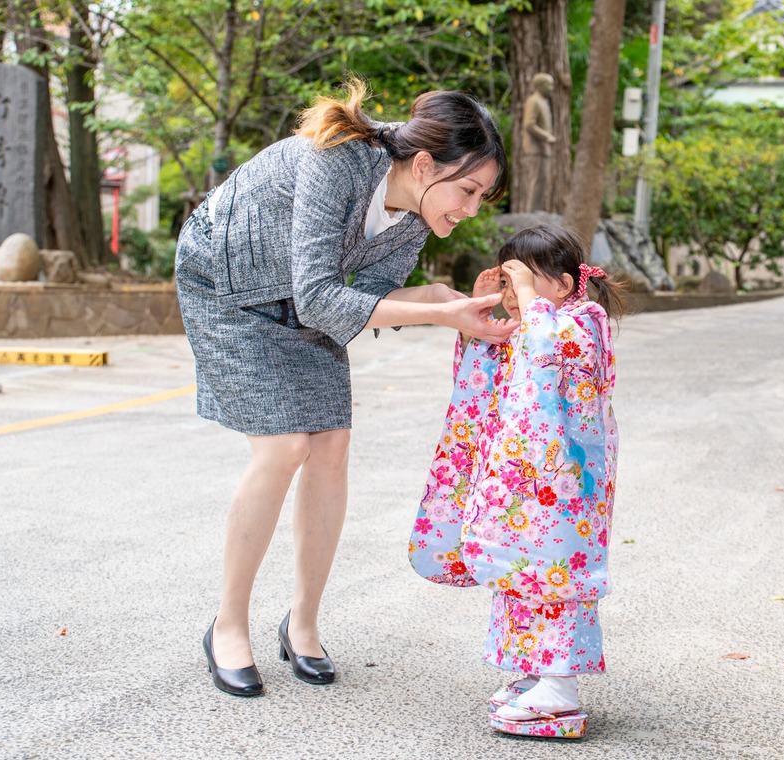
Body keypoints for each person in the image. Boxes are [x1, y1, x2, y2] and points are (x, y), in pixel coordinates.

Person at [174, 76, 516, 697]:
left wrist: (449, 302)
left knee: (330, 446)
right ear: (423, 164)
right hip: (226, 286)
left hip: (304, 300)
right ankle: (227, 626)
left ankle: (302, 623)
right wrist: (440, 314)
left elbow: (370, 298)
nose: (470, 209)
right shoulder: (339, 161)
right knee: (283, 448)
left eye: (480, 197)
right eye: (466, 190)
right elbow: (321, 297)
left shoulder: (415, 216)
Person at [409, 224, 623, 739]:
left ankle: (560, 690)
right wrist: (481, 322)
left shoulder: (582, 323)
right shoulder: (534, 326)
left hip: (564, 486)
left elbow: (547, 350)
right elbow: (485, 376)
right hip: (524, 486)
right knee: (518, 569)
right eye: (508, 282)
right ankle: (535, 672)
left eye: (523, 280)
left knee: (554, 573)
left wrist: (527, 300)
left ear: (564, 285)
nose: (513, 293)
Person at [517, 73, 557, 213]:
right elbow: (529, 124)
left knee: (543, 179)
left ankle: (537, 208)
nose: (552, 88)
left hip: (543, 149)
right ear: (540, 86)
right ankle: (532, 210)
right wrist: (546, 136)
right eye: (549, 85)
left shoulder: (543, 102)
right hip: (535, 148)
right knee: (536, 179)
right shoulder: (533, 101)